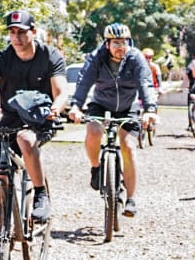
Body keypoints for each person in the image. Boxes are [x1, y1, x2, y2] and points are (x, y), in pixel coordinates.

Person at [0, 9, 68, 221]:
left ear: (33, 31)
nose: (17, 37)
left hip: (41, 119)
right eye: (12, 32)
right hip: (10, 120)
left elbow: (62, 92)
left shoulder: (49, 55)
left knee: (25, 139)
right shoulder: (2, 58)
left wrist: (55, 109)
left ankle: (40, 194)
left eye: (22, 32)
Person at [68, 23, 158, 217]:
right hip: (101, 104)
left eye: (124, 42)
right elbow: (84, 82)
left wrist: (150, 109)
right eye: (116, 43)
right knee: (93, 131)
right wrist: (76, 106)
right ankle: (96, 168)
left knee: (128, 146)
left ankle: (131, 199)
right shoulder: (96, 57)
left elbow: (145, 83)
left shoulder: (136, 58)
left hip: (128, 106)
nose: (120, 47)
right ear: (107, 44)